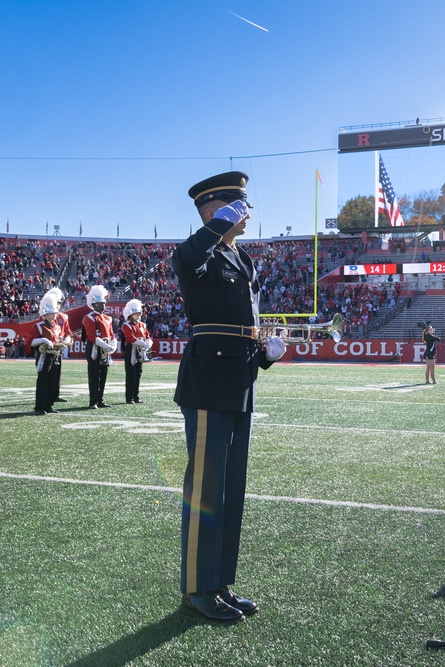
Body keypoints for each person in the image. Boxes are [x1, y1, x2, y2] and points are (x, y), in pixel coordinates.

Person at [173, 171, 286, 622]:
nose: (245, 214)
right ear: (211, 209)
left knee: (230, 492)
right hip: (207, 381)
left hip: (240, 380)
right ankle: (197, 589)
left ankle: (220, 583)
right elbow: (185, 262)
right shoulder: (199, 252)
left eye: (243, 205)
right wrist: (217, 226)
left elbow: (242, 324)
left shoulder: (242, 260)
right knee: (205, 492)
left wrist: (265, 355)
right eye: (234, 206)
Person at [31, 289, 71, 415]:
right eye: (52, 313)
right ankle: (39, 407)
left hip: (55, 355)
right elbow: (32, 342)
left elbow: (59, 338)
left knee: (52, 380)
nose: (55, 315)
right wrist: (43, 340)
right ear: (46, 314)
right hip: (43, 356)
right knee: (43, 381)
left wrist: (62, 344)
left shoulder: (57, 327)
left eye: (54, 313)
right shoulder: (39, 326)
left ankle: (48, 405)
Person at [82, 284, 117, 409]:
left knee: (103, 375)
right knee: (94, 375)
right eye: (101, 303)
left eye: (104, 302)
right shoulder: (89, 317)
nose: (104, 305)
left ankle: (100, 399)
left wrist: (114, 345)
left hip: (104, 350)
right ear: (95, 304)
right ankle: (93, 401)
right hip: (94, 350)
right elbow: (92, 337)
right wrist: (108, 346)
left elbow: (112, 335)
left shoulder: (107, 318)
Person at [121, 298, 153, 404]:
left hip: (140, 351)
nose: (138, 315)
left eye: (139, 313)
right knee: (131, 374)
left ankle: (136, 396)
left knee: (138, 373)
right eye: (136, 314)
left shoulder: (142, 325)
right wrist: (143, 343)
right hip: (131, 351)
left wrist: (148, 343)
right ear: (131, 314)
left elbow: (147, 336)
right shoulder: (127, 325)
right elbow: (130, 338)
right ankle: (129, 397)